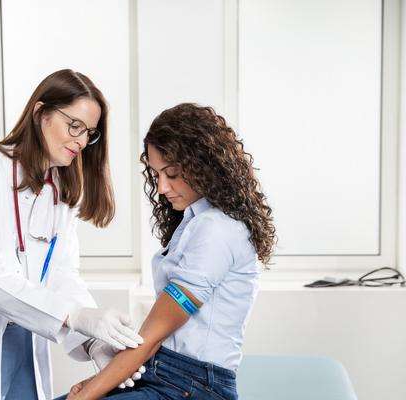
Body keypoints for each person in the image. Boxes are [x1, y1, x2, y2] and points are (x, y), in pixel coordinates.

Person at [0, 69, 144, 400]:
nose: (83, 141)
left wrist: (95, 342)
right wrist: (75, 316)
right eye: (75, 127)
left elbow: (62, 275)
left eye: (90, 133)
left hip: (26, 339)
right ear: (41, 114)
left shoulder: (60, 189)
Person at [58, 103, 276, 400]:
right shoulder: (195, 223)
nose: (161, 187)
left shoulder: (218, 230)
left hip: (195, 387)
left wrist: (90, 392)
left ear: (204, 165)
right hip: (162, 373)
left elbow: (154, 333)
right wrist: (100, 382)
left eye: (171, 173)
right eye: (156, 174)